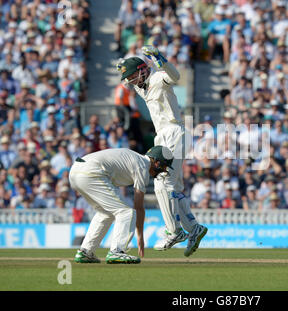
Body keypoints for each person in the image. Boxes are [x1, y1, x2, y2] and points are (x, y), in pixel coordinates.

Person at [117, 46, 207, 257]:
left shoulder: (158, 78)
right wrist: (121, 66)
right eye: (128, 79)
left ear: (142, 70)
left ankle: (174, 231)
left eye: (132, 77)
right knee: (174, 186)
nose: (130, 82)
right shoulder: (142, 87)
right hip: (163, 136)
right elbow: (126, 70)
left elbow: (175, 76)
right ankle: (194, 228)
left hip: (174, 131)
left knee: (161, 183)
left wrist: (159, 58)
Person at [69, 145, 174, 264]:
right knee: (126, 212)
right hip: (91, 172)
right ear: (156, 162)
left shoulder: (136, 159)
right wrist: (140, 237)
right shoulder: (143, 166)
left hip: (75, 171)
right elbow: (138, 207)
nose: (164, 170)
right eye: (164, 166)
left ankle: (85, 252)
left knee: (106, 213)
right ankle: (117, 251)